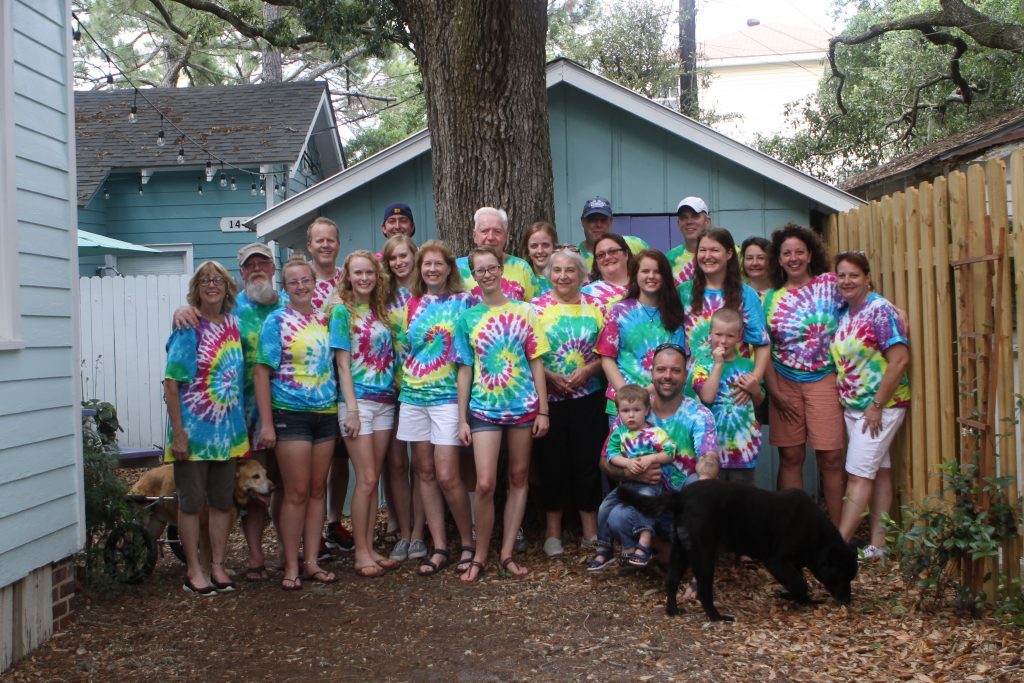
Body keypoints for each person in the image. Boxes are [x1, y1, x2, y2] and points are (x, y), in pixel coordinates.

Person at [454, 246, 550, 582]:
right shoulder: (468, 318)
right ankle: (480, 554)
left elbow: (536, 360)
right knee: (484, 483)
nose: (487, 274)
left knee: (518, 478)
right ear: (473, 275)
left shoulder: (526, 311)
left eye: (492, 268)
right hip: (483, 409)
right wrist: (462, 417)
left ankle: (507, 552)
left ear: (501, 270)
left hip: (523, 407)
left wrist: (543, 408)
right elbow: (464, 369)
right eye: (480, 270)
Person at [588, 344, 719, 572]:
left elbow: (708, 458)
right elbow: (604, 461)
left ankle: (693, 559)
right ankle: (661, 550)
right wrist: (629, 472)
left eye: (675, 370)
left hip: (681, 506)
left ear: (685, 375)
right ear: (652, 372)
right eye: (661, 369)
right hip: (645, 502)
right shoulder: (632, 410)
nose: (667, 376)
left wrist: (706, 477)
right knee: (617, 515)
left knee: (700, 485)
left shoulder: (698, 414)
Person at [164, 261, 249, 595]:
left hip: (227, 433)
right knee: (191, 502)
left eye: (218, 280)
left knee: (222, 502)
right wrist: (179, 434)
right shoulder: (189, 327)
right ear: (196, 288)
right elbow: (172, 385)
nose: (212, 285)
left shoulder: (233, 324)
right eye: (205, 281)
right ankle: (193, 570)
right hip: (195, 434)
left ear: (228, 288)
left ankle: (217, 564)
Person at [255, 256, 339, 591]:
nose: (301, 287)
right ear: (285, 287)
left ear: (313, 283)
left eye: (306, 280)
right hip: (290, 413)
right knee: (296, 491)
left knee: (318, 490)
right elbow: (262, 372)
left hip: (325, 413)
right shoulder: (277, 322)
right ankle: (290, 564)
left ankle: (312, 561)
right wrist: (267, 424)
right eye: (294, 283)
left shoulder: (325, 319)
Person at [395, 240, 477, 576]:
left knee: (447, 473)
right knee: (424, 472)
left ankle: (468, 541)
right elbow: (406, 350)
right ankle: (440, 546)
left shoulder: (465, 301)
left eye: (438, 264)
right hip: (414, 396)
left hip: (447, 399)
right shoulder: (412, 303)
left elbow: (468, 357)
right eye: (426, 264)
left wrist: (463, 409)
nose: (432, 269)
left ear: (448, 268)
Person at [762, 223, 846, 524]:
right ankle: (794, 532)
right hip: (784, 381)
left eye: (799, 251)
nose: (793, 258)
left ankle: (836, 531)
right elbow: (764, 349)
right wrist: (775, 391)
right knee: (791, 457)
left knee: (831, 458)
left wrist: (893, 311)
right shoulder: (770, 299)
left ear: (810, 254)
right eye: (787, 253)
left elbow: (863, 300)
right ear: (779, 259)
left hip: (824, 378)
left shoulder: (830, 284)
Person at [830, 252, 910, 560]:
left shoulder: (878, 310)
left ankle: (836, 549)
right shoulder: (845, 311)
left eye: (854, 275)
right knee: (880, 471)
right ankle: (878, 546)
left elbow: (900, 359)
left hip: (879, 407)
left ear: (868, 279)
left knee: (858, 475)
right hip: (855, 406)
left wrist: (877, 404)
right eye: (842, 276)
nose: (847, 281)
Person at [330, 250, 401, 578]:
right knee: (368, 478)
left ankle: (370, 546)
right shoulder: (342, 313)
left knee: (374, 481)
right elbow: (342, 364)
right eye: (357, 273)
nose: (363, 278)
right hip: (357, 402)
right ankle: (360, 552)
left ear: (377, 276)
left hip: (385, 401)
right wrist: (353, 410)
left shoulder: (380, 311)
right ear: (347, 276)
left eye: (369, 273)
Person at [531, 246, 606, 555]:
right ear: (549, 274)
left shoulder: (597, 307)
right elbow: (528, 354)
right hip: (549, 399)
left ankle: (590, 530)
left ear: (581, 275)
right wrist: (550, 376)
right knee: (552, 465)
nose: (563, 276)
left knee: (587, 463)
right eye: (557, 270)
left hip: (587, 397)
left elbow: (607, 352)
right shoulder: (534, 308)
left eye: (570, 270)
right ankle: (553, 533)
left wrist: (588, 370)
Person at [305, 217, 355, 556]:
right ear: (310, 245)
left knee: (341, 459)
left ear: (338, 243)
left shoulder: (348, 280)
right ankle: (312, 532)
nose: (325, 245)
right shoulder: (300, 282)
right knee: (315, 465)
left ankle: (334, 522)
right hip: (314, 386)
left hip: (350, 380)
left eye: (330, 240)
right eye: (319, 240)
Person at [596, 249, 687, 419]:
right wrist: (627, 394)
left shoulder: (674, 313)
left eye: (657, 271)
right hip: (624, 405)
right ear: (635, 275)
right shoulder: (618, 311)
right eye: (645, 271)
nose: (651, 276)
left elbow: (680, 359)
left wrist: (646, 393)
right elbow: (606, 358)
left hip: (664, 401)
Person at [380, 235, 426, 562]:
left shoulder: (428, 294)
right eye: (393, 258)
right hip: (390, 388)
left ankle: (420, 534)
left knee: (423, 466)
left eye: (404, 256)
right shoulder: (382, 298)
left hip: (424, 389)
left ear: (415, 256)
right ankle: (404, 532)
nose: (399, 262)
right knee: (397, 464)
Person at [602, 385, 677, 568]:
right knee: (606, 506)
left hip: (650, 484)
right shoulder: (618, 434)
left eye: (636, 410)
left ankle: (644, 544)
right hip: (627, 483)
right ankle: (606, 545)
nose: (631, 415)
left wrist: (651, 458)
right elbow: (611, 455)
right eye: (625, 411)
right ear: (618, 412)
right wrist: (627, 463)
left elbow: (671, 451)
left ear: (646, 411)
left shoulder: (654, 433)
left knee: (644, 503)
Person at [677, 227, 770, 376]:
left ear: (729, 254)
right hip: (692, 383)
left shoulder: (746, 294)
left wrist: (755, 378)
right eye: (702, 250)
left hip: (733, 384)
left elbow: (762, 343)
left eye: (714, 250)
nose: (707, 256)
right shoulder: (683, 292)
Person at [691, 308, 765, 483]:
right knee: (713, 502)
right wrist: (718, 364)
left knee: (741, 502)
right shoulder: (702, 365)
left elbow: (759, 402)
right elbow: (707, 397)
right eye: (718, 334)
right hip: (711, 450)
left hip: (742, 449)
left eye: (730, 336)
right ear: (710, 333)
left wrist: (755, 390)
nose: (723, 341)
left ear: (739, 337)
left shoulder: (748, 365)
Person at [456, 207, 538, 301]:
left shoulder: (522, 268)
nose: (490, 237)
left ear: (505, 236)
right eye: (484, 231)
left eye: (497, 231)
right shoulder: (457, 268)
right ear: (475, 236)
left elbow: (535, 309)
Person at [575, 196, 648, 271]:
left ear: (611, 221)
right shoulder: (574, 257)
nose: (598, 225)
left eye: (603, 220)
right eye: (592, 220)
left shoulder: (635, 244)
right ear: (583, 222)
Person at [581, 233, 635, 312]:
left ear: (626, 254)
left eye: (613, 251)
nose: (607, 257)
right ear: (596, 262)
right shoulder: (586, 294)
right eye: (601, 255)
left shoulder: (643, 286)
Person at [665, 196, 713, 286]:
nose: (689, 222)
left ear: (707, 221)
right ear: (678, 224)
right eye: (683, 217)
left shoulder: (726, 252)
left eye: (695, 216)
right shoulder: (669, 257)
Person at [519, 220, 558, 295]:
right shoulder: (521, 280)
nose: (540, 251)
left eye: (545, 245)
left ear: (554, 247)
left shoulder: (564, 280)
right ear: (527, 250)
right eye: (534, 246)